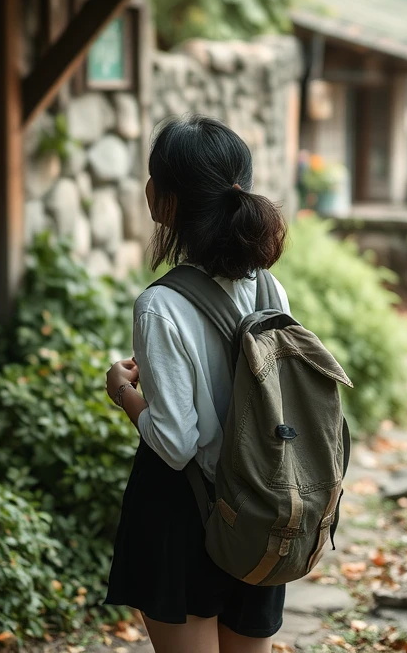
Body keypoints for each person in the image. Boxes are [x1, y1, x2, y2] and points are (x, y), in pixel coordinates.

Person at [104, 115, 290, 653]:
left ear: (160, 201)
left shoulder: (161, 306)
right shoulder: (268, 289)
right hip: (261, 504)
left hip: (184, 517)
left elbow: (176, 441)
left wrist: (123, 392)